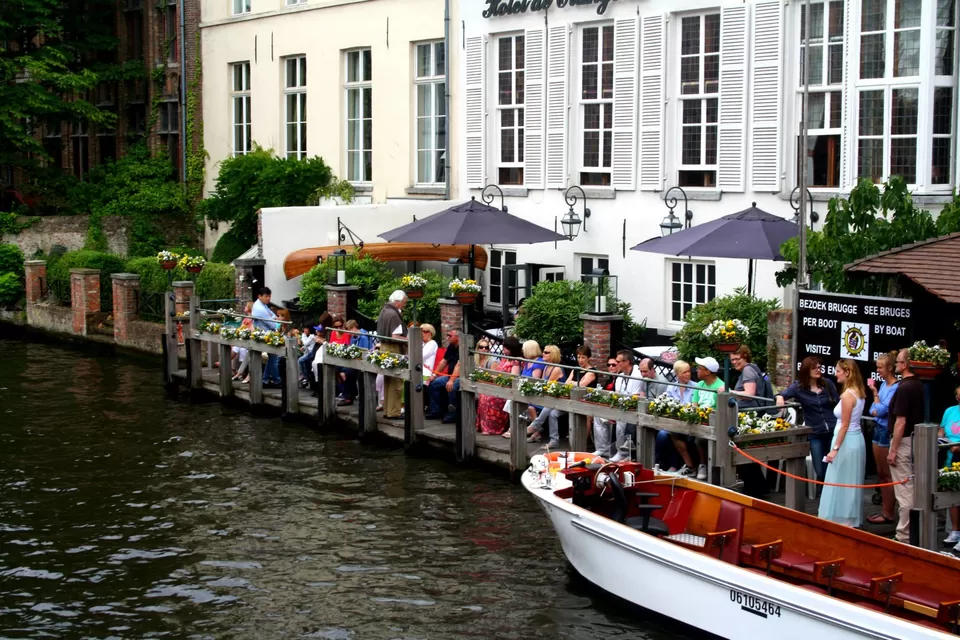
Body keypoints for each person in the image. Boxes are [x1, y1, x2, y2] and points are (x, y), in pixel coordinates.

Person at [776, 356, 840, 495]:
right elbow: (783, 394)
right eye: (814, 368)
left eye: (819, 367)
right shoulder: (799, 387)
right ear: (806, 370)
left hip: (832, 430)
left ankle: (829, 495)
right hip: (815, 433)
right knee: (820, 468)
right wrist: (780, 397)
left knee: (833, 466)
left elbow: (838, 404)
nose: (818, 370)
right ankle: (822, 493)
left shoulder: (827, 384)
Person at [818, 359, 867, 528]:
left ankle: (844, 520)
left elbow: (845, 425)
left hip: (846, 440)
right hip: (854, 438)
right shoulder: (858, 392)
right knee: (847, 478)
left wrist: (835, 449)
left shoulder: (848, 395)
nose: (835, 373)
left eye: (838, 370)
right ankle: (844, 519)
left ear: (847, 372)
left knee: (843, 479)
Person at [888, 349, 924, 544]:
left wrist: (893, 449)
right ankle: (911, 532)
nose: (895, 365)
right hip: (914, 440)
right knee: (911, 487)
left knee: (904, 490)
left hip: (903, 442)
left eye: (898, 362)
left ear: (905, 365)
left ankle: (903, 536)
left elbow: (900, 421)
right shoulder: (918, 385)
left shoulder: (905, 388)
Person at [528, 346, 596, 447]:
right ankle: (554, 440)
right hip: (569, 400)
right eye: (578, 357)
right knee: (553, 413)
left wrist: (573, 383)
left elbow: (581, 385)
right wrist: (574, 383)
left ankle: (535, 425)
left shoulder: (591, 372)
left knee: (550, 405)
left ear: (588, 358)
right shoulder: (575, 370)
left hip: (583, 402)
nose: (580, 360)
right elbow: (566, 383)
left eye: (583, 357)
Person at [865, 352, 899, 524]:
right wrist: (876, 396)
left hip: (886, 430)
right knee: (881, 473)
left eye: (880, 367)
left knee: (887, 474)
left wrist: (876, 401)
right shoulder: (884, 386)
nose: (877, 370)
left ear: (890, 368)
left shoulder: (895, 387)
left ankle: (889, 513)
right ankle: (885, 510)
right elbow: (873, 409)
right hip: (878, 429)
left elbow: (882, 411)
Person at [656, 360, 699, 477]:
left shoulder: (696, 387)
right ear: (677, 374)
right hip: (673, 423)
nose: (688, 374)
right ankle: (663, 464)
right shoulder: (671, 387)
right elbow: (666, 403)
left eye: (689, 371)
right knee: (662, 435)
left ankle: (677, 465)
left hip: (689, 424)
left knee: (674, 434)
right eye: (684, 372)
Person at [478, 337, 522, 435]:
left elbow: (513, 378)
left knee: (490, 398)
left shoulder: (516, 361)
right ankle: (484, 426)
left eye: (505, 347)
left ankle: (493, 428)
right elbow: (497, 372)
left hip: (507, 388)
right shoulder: (504, 358)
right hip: (497, 385)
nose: (503, 349)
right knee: (483, 394)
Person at [376, 290, 408, 419]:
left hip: (384, 347)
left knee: (388, 379)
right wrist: (410, 340)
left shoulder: (384, 311)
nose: (404, 305)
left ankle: (387, 411)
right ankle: (394, 412)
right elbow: (395, 336)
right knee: (396, 381)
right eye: (404, 303)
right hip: (393, 348)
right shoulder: (394, 315)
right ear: (398, 301)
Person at [610, 349, 643, 462]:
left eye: (618, 362)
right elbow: (618, 395)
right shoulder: (619, 377)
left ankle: (624, 453)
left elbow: (635, 398)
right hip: (622, 407)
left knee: (622, 420)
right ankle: (604, 449)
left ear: (627, 362)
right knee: (599, 417)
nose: (616, 364)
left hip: (633, 408)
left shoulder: (637, 376)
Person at [940, 385, 960, 548]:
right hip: (950, 457)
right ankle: (955, 531)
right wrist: (942, 441)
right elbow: (941, 431)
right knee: (952, 493)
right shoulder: (949, 411)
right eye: (958, 396)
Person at [426, 329, 460, 421]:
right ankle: (436, 410)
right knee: (433, 383)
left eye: (450, 335)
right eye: (447, 335)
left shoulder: (463, 347)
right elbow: (444, 361)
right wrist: (434, 375)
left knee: (452, 386)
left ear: (458, 337)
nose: (448, 337)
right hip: (450, 375)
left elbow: (459, 365)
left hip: (461, 376)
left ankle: (454, 413)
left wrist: (451, 380)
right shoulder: (451, 347)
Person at [252, 287, 281, 387]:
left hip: (267, 334)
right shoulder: (259, 308)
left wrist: (274, 319)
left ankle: (265, 380)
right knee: (274, 358)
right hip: (265, 335)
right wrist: (276, 321)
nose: (268, 299)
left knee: (272, 358)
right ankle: (276, 380)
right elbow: (273, 324)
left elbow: (272, 315)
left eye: (269, 296)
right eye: (266, 296)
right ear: (259, 296)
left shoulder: (262, 305)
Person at [590, 356, 619, 457]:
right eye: (608, 365)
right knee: (597, 415)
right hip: (608, 408)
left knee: (599, 417)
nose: (610, 367)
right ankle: (602, 448)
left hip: (617, 410)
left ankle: (603, 449)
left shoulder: (620, 379)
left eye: (613, 365)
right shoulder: (609, 379)